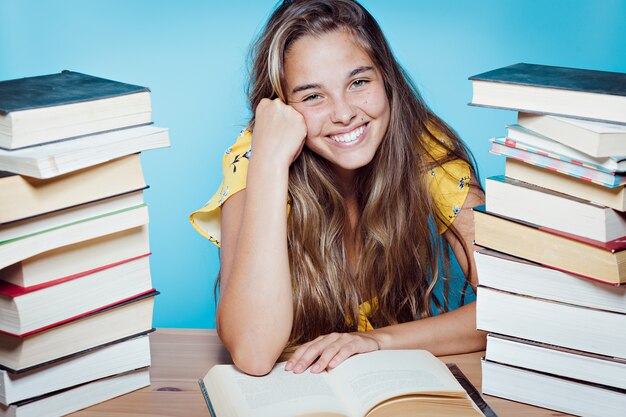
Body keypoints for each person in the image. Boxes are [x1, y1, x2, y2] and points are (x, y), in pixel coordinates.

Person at [190, 0, 486, 376]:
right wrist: (268, 163)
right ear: (281, 106)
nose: (344, 113)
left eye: (359, 82)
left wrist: (378, 341)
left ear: (387, 80)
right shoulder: (255, 158)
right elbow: (253, 352)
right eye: (313, 95)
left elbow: (515, 308)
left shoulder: (424, 148)